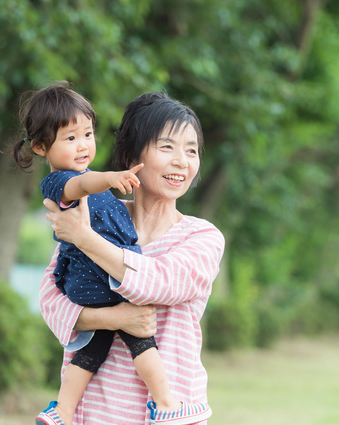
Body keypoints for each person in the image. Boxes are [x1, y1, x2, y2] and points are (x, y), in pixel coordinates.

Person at [12, 83, 215, 425]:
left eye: (192, 151)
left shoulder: (202, 237)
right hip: (95, 410)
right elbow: (51, 299)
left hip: (169, 414)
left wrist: (82, 237)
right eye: (167, 147)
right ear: (133, 157)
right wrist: (114, 319)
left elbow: (156, 284)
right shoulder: (95, 211)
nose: (181, 161)